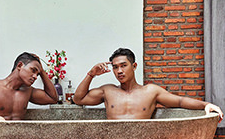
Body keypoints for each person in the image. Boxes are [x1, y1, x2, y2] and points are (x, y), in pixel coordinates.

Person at [73, 48, 223, 121]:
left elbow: (180, 101)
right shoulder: (107, 91)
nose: (119, 71)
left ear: (134, 66)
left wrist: (205, 105)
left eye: (123, 65)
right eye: (115, 67)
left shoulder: (151, 91)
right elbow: (78, 99)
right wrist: (91, 74)